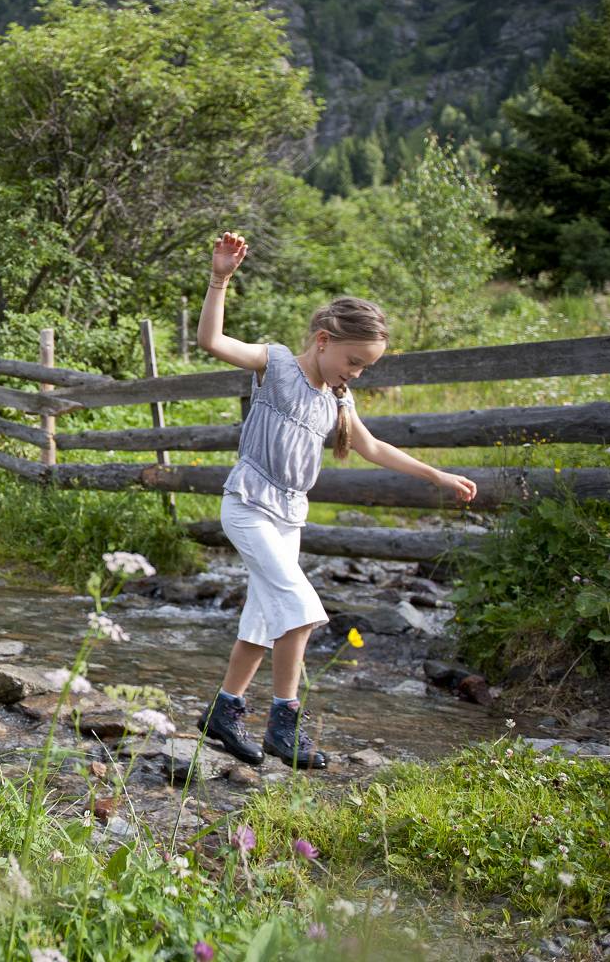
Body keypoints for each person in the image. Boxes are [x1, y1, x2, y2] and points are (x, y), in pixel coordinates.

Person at [194, 230, 477, 769]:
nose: (357, 373)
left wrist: (436, 474)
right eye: (354, 361)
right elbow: (213, 341)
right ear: (323, 340)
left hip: (288, 516)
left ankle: (224, 712)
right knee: (299, 610)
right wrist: (220, 279)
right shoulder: (276, 365)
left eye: (365, 366)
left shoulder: (338, 396)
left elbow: (372, 446)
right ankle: (284, 722)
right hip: (249, 505)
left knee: (263, 619)